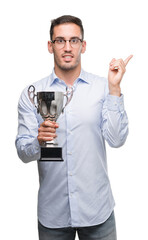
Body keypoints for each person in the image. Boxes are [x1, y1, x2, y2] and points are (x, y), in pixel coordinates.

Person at [15, 15, 132, 240]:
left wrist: (115, 90)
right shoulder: (32, 93)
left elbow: (117, 140)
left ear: (83, 45)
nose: (67, 47)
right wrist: (37, 141)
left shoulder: (103, 87)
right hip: (53, 213)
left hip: (97, 210)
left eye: (74, 40)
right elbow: (22, 152)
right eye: (60, 41)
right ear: (50, 46)